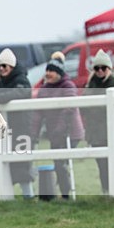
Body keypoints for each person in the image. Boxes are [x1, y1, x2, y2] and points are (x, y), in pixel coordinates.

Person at [30, 57, 84, 199]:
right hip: (54, 133)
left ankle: (66, 194)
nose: (48, 73)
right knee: (58, 162)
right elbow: (38, 114)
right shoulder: (43, 89)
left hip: (70, 132)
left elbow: (69, 109)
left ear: (59, 73)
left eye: (52, 71)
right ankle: (63, 191)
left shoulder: (68, 86)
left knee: (61, 163)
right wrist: (33, 133)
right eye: (47, 70)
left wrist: (59, 129)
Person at [82, 49, 114, 194]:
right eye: (96, 68)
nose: (100, 71)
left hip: (112, 130)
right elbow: (83, 108)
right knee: (101, 164)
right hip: (95, 132)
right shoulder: (90, 85)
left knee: (113, 163)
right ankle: (106, 191)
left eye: (103, 68)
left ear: (109, 68)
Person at [0, 48, 35, 199]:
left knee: (22, 162)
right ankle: (11, 195)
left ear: (12, 66)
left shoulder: (21, 79)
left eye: (5, 66)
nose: (2, 69)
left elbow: (21, 92)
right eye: (0, 66)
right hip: (9, 128)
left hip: (22, 126)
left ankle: (28, 195)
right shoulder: (3, 81)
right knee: (11, 162)